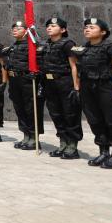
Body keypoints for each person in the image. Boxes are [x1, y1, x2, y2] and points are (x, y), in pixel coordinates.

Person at [73, 18, 112, 168]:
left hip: (106, 87)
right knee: (95, 120)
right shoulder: (83, 48)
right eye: (86, 27)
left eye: (92, 27)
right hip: (88, 88)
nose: (87, 29)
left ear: (103, 32)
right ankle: (103, 152)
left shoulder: (111, 48)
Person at [40, 17, 82, 159]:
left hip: (65, 82)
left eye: (53, 26)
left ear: (63, 30)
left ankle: (72, 146)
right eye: (48, 26)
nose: (49, 28)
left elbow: (74, 66)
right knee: (56, 114)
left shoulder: (68, 44)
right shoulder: (46, 45)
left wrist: (76, 87)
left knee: (70, 114)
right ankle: (63, 143)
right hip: (50, 84)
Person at [1, 21, 44, 150]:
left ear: (26, 31)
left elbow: (41, 62)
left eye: (19, 28)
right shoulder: (12, 47)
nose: (15, 30)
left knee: (31, 109)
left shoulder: (33, 46)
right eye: (13, 28)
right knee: (20, 108)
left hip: (27, 80)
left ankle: (34, 137)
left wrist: (37, 74)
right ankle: (26, 135)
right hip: (15, 80)